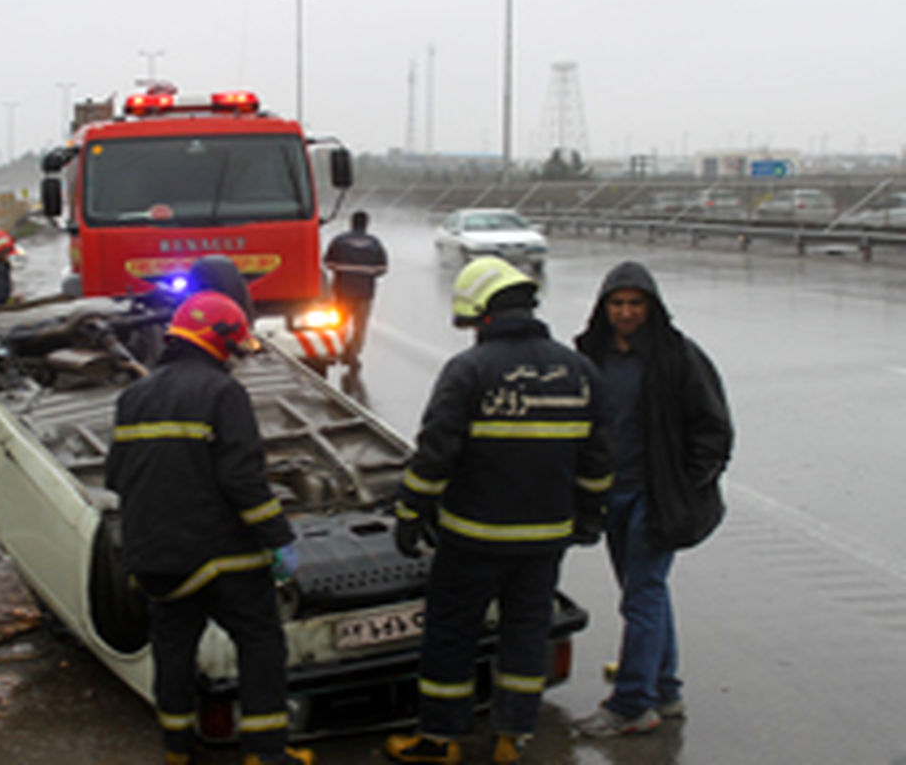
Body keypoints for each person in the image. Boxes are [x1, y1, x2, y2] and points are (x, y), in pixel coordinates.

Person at [385, 257, 614, 765]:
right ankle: (512, 736)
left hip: (473, 538)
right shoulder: (579, 371)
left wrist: (409, 511)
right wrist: (591, 514)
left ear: (485, 315)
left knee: (451, 632)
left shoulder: (470, 371)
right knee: (526, 633)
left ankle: (440, 740)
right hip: (545, 540)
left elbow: (436, 452)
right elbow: (597, 459)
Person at [104, 290, 314, 765]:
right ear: (219, 343)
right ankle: (265, 752)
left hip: (155, 557)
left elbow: (117, 476)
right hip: (221, 558)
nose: (236, 361)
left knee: (173, 650)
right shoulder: (223, 393)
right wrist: (279, 539)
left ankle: (178, 749)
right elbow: (242, 480)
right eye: (234, 350)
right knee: (261, 642)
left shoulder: (133, 396)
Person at [571, 261, 733, 737]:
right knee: (644, 595)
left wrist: (687, 484)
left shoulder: (678, 357)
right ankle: (665, 690)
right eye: (617, 303)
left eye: (635, 303)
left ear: (651, 306)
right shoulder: (591, 357)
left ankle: (632, 703)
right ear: (604, 307)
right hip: (609, 495)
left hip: (655, 497)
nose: (626, 312)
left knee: (643, 595)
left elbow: (714, 429)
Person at [323, 210, 388, 368]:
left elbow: (328, 263)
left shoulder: (339, 241)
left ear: (351, 222)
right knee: (360, 325)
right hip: (365, 292)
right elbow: (382, 268)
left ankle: (335, 350)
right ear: (367, 224)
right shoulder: (375, 243)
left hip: (342, 290)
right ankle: (352, 354)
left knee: (338, 323)